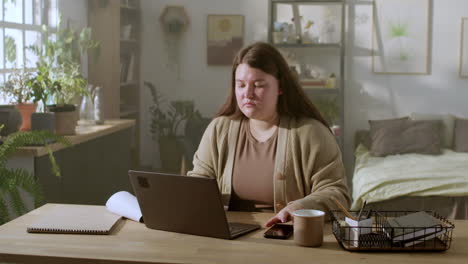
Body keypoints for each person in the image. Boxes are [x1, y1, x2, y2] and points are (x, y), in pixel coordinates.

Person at [188, 42, 351, 227]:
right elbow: (199, 182)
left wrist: (299, 207)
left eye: (258, 85)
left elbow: (337, 194)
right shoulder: (219, 129)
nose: (247, 94)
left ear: (280, 87)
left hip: (286, 239)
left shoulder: (311, 133)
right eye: (240, 85)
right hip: (227, 238)